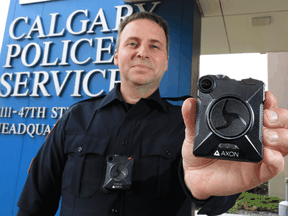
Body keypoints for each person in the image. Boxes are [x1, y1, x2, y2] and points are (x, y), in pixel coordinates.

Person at [16, 11, 288, 216]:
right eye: (132, 43)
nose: (142, 52)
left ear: (167, 60)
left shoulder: (191, 127)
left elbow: (212, 198)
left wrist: (207, 192)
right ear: (116, 55)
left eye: (154, 46)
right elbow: (35, 203)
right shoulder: (74, 118)